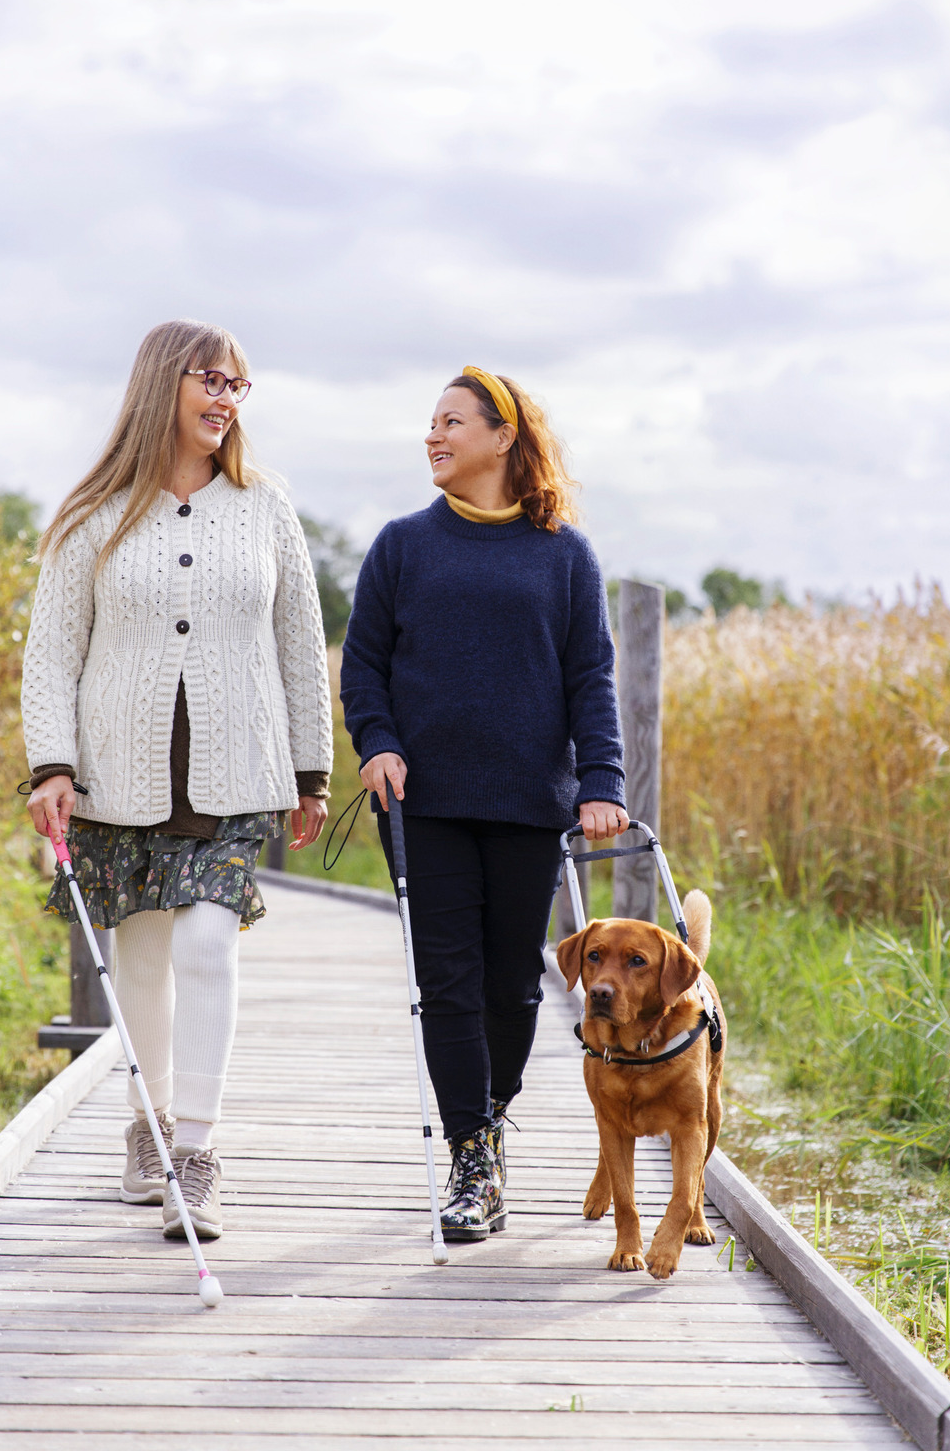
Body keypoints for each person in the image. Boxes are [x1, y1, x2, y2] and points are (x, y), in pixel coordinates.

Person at [21, 319, 332, 1241]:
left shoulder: (267, 507)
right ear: (165, 384)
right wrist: (52, 765)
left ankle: (197, 1153)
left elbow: (299, 652)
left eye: (239, 386)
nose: (227, 399)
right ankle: (148, 1127)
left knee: (206, 942)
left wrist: (311, 774)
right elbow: (51, 656)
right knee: (145, 957)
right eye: (212, 380)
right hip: (119, 773)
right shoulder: (92, 515)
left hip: (237, 775)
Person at [341, 365, 628, 1241]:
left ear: (502, 438)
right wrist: (378, 742)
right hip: (423, 803)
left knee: (514, 986)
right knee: (449, 984)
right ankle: (471, 1157)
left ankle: (490, 1124)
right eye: (430, 424)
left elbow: (590, 677)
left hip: (525, 802)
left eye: (452, 422)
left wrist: (601, 783)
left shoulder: (563, 554)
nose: (434, 436)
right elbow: (363, 667)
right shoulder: (401, 545)